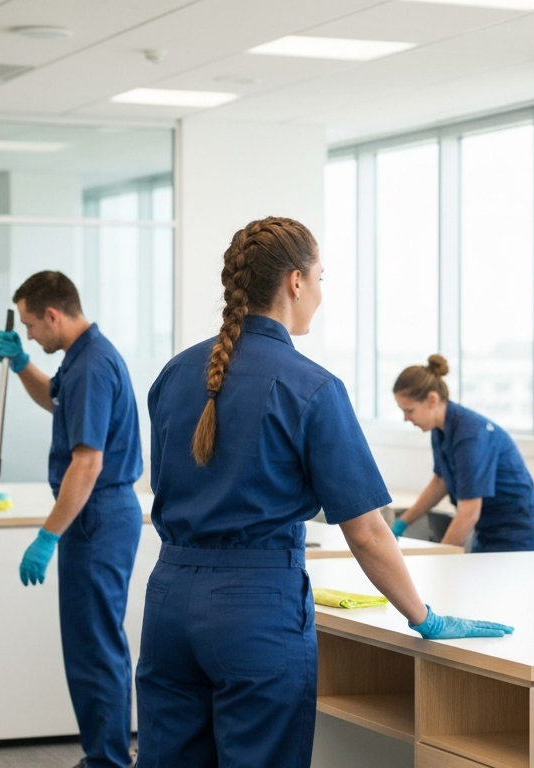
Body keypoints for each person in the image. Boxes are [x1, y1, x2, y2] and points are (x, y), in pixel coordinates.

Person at [136, 217, 512, 767]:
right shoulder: (310, 386)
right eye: (320, 277)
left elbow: (164, 487)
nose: (319, 291)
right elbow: (366, 532)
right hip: (254, 610)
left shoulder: (174, 374)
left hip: (168, 600)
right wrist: (423, 616)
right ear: (296, 281)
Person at [0, 271, 142, 768]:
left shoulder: (91, 367)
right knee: (88, 643)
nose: (30, 334)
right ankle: (103, 756)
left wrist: (46, 536)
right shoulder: (80, 358)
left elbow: (87, 463)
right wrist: (22, 366)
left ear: (53, 315)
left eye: (32, 326)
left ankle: (108, 761)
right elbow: (54, 400)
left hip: (98, 513)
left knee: (95, 645)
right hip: (94, 511)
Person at [389, 355, 534, 552]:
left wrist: (439, 555)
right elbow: (440, 481)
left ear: (432, 400)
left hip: (521, 535)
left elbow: (468, 513)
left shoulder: (470, 435)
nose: (406, 418)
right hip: (488, 532)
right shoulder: (440, 430)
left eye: (409, 411)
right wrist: (403, 522)